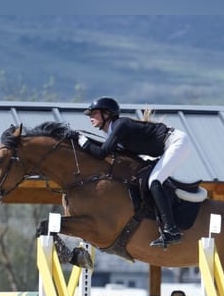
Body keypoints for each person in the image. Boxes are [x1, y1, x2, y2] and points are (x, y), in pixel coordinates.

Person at [80, 97, 191, 248]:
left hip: (176, 142)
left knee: (155, 181)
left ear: (107, 113)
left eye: (94, 113)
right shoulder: (113, 130)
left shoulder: (120, 125)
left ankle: (171, 230)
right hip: (164, 148)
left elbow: (102, 153)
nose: (90, 117)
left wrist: (83, 142)